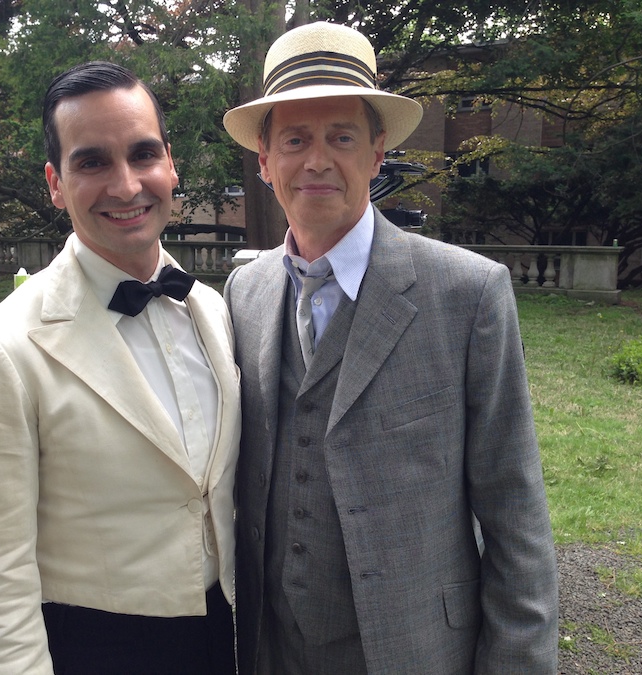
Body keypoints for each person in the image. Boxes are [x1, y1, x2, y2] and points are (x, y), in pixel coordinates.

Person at [222, 21, 558, 674]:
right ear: (264, 161)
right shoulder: (243, 294)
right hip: (274, 654)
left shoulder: (469, 294)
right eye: (294, 139)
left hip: (417, 652)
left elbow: (517, 520)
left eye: (341, 137)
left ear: (376, 154)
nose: (317, 160)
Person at [0, 61, 241, 675]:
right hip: (93, 650)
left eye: (143, 154)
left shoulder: (213, 309)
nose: (126, 186)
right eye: (92, 162)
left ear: (170, 165)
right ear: (55, 182)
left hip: (232, 634)